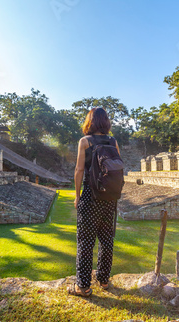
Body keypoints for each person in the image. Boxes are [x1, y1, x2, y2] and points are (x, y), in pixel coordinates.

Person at [68, 107, 120, 297]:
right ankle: (104, 280)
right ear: (105, 122)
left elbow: (79, 170)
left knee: (85, 241)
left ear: (90, 121)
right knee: (107, 240)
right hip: (110, 198)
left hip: (91, 196)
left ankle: (83, 286)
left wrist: (77, 195)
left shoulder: (85, 142)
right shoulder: (113, 141)